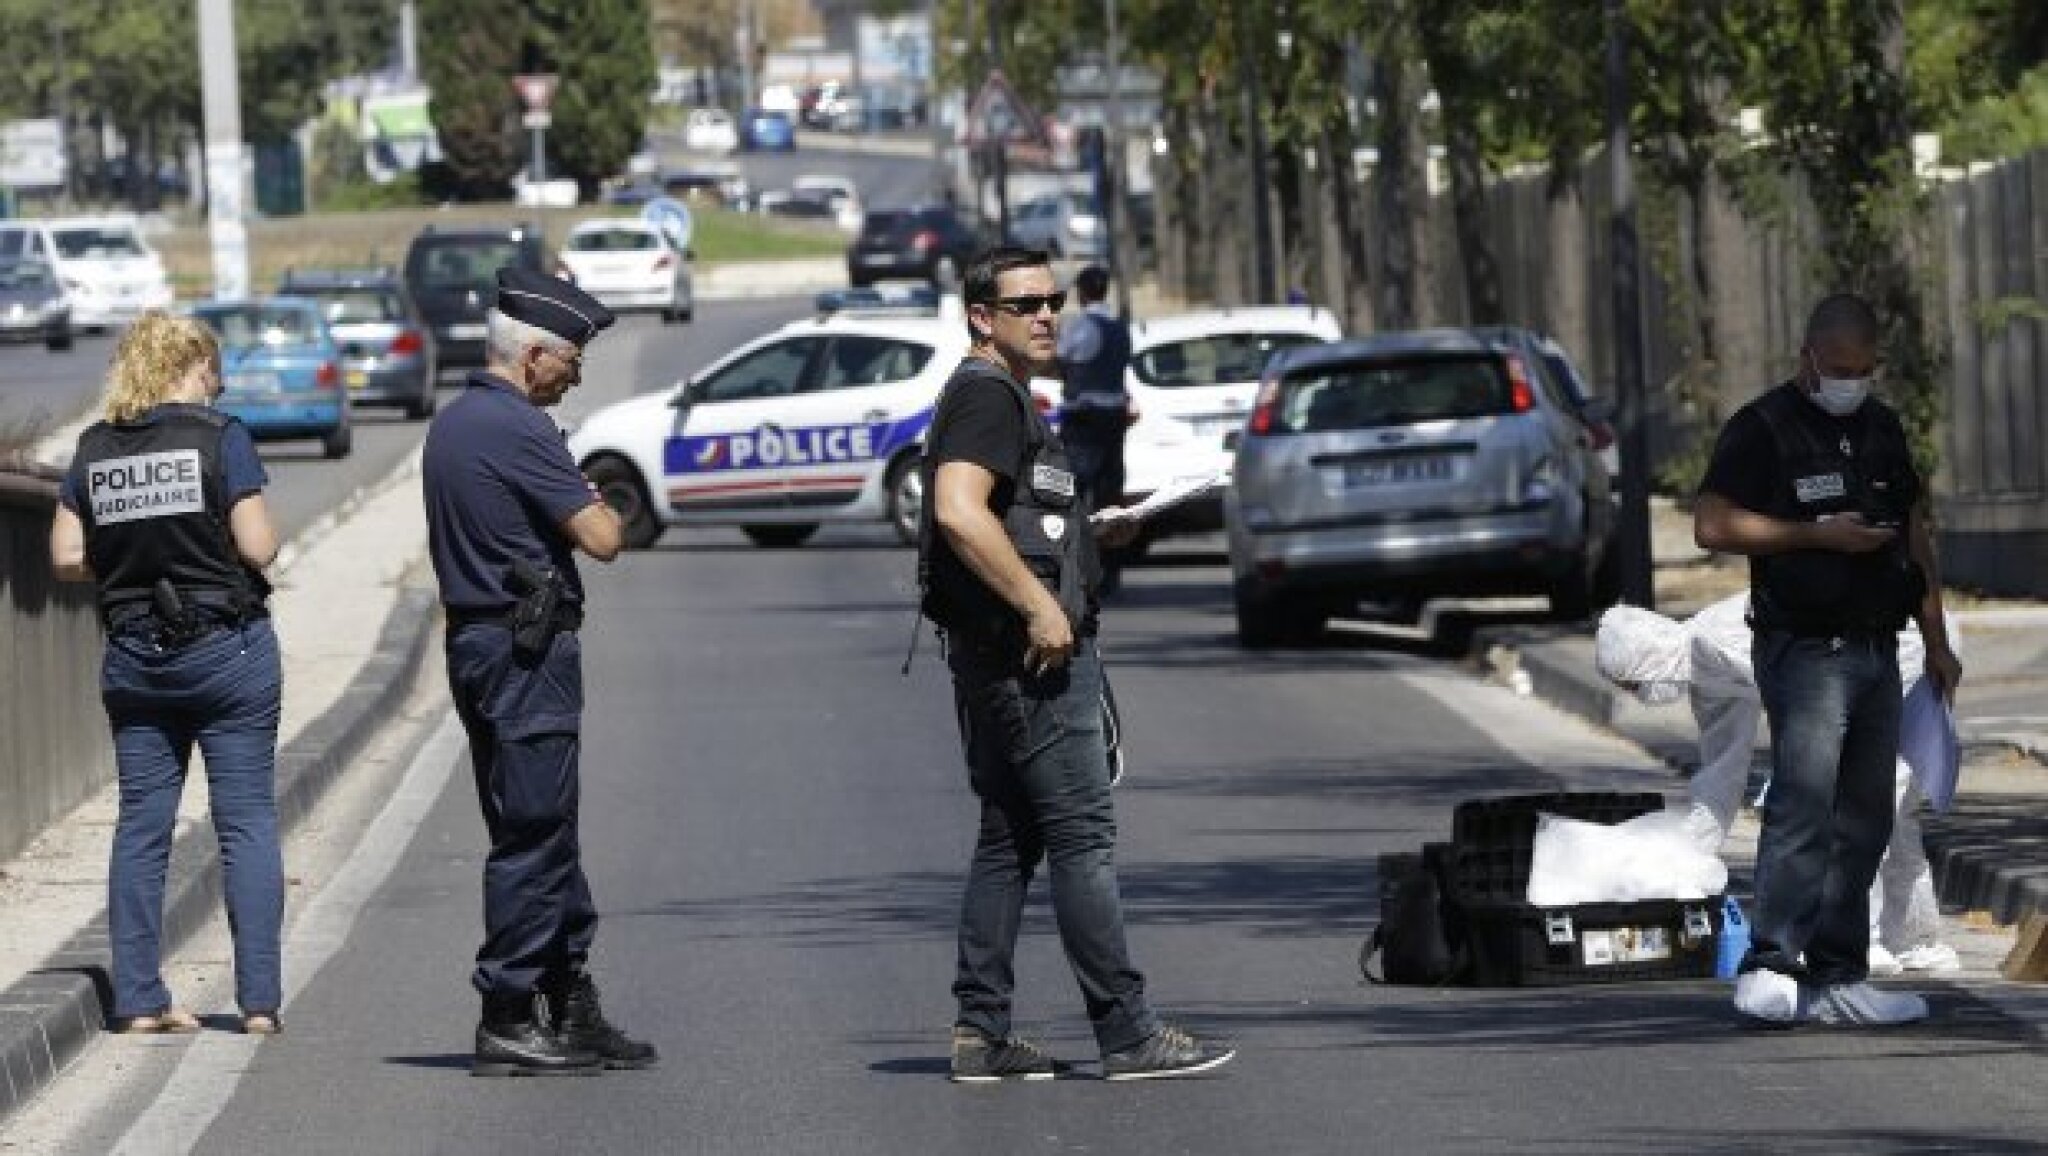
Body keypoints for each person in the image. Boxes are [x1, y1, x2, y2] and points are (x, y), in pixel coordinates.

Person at [917, 245, 1233, 1082]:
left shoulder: (996, 393)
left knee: (1008, 840)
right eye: (1025, 305)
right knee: (1082, 837)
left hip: (996, 654)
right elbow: (958, 511)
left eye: (1052, 301)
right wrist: (1039, 605)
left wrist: (1094, 536)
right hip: (1030, 659)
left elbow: (1011, 518)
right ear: (981, 317)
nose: (1046, 316)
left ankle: (981, 1033)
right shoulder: (988, 395)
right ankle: (1127, 1031)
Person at [1694, 292, 1962, 1026]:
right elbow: (1711, 525)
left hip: (1879, 647)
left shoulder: (1882, 428)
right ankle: (1771, 962)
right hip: (1805, 649)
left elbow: (1913, 533)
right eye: (1838, 368)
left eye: (1862, 369)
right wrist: (1814, 535)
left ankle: (1840, 974)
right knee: (1804, 803)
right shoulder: (1764, 428)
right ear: (1807, 357)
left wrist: (1936, 638)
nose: (1850, 382)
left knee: (1866, 817)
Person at [422, 267, 656, 1077]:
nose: (576, 376)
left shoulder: (456, 422)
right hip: (525, 652)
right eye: (571, 361)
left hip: (481, 644)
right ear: (532, 357)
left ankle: (565, 993)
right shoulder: (518, 429)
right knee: (534, 833)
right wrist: (589, 499)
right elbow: (604, 537)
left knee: (540, 824)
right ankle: (510, 1012)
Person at [47, 312, 286, 1036]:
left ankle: (140, 1000)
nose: (218, 386)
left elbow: (64, 557)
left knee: (142, 828)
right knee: (245, 821)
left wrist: (129, 556)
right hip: (226, 653)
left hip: (135, 659)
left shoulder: (94, 449)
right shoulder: (220, 437)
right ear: (195, 366)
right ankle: (258, 1003)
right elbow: (259, 546)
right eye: (215, 373)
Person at [1595, 595, 1963, 976]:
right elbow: (1722, 774)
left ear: (1646, 659)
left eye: (1633, 683)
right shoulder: (1705, 676)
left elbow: (1804, 689)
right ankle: (1912, 940)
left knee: (1864, 804)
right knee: (1890, 815)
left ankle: (1859, 938)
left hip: (1898, 647)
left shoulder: (1718, 641)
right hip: (1854, 665)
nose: (1639, 694)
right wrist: (1688, 859)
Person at [1054, 264, 1135, 594]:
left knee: (1071, 492)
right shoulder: (1120, 328)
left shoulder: (1082, 326)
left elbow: (1063, 358)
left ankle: (1074, 566)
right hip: (1114, 417)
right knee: (1109, 494)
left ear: (1083, 292)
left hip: (1085, 418)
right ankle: (1110, 568)